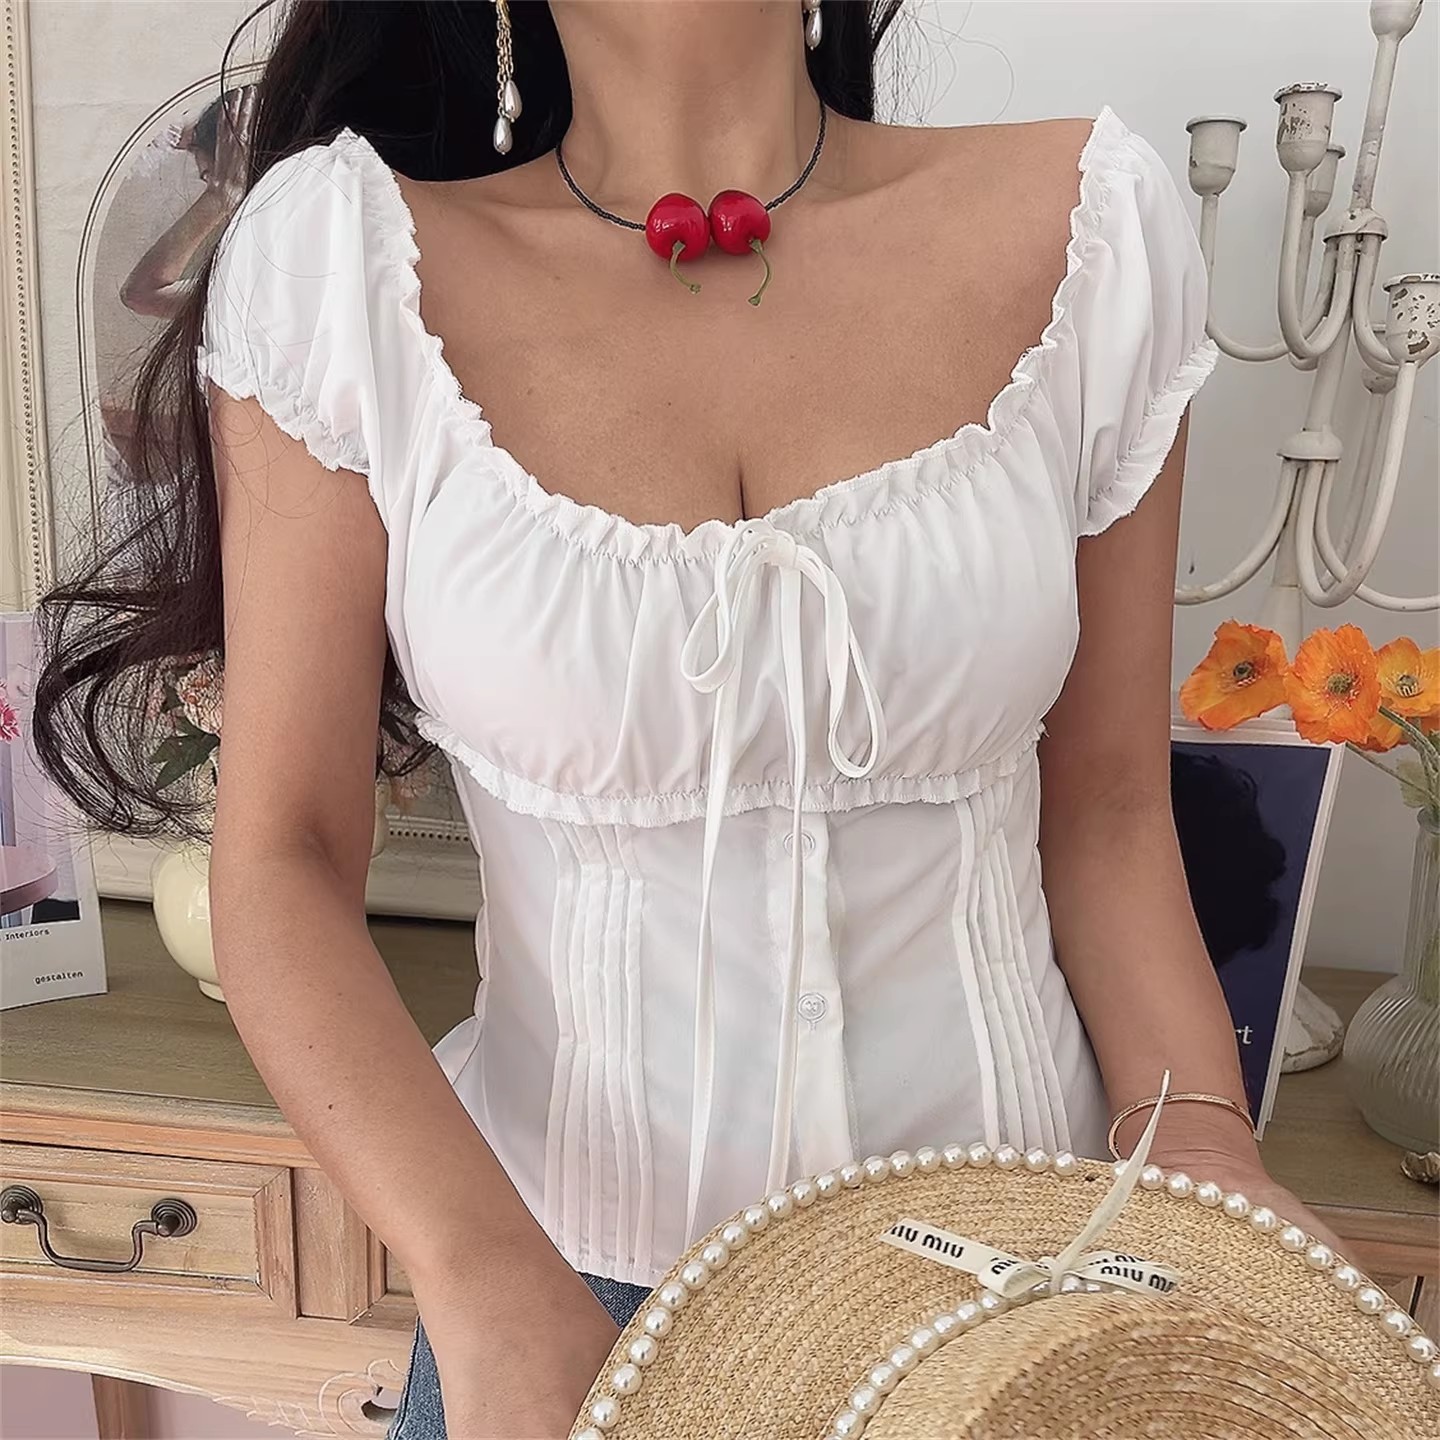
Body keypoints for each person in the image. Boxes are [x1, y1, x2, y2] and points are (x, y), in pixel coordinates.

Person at [31, 4, 1341, 1437]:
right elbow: (280, 859)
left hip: (1026, 1295)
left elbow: (1110, 812)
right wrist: (489, 1286)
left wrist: (1204, 1149)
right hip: (564, 1304)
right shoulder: (337, 267)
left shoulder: (1092, 227)